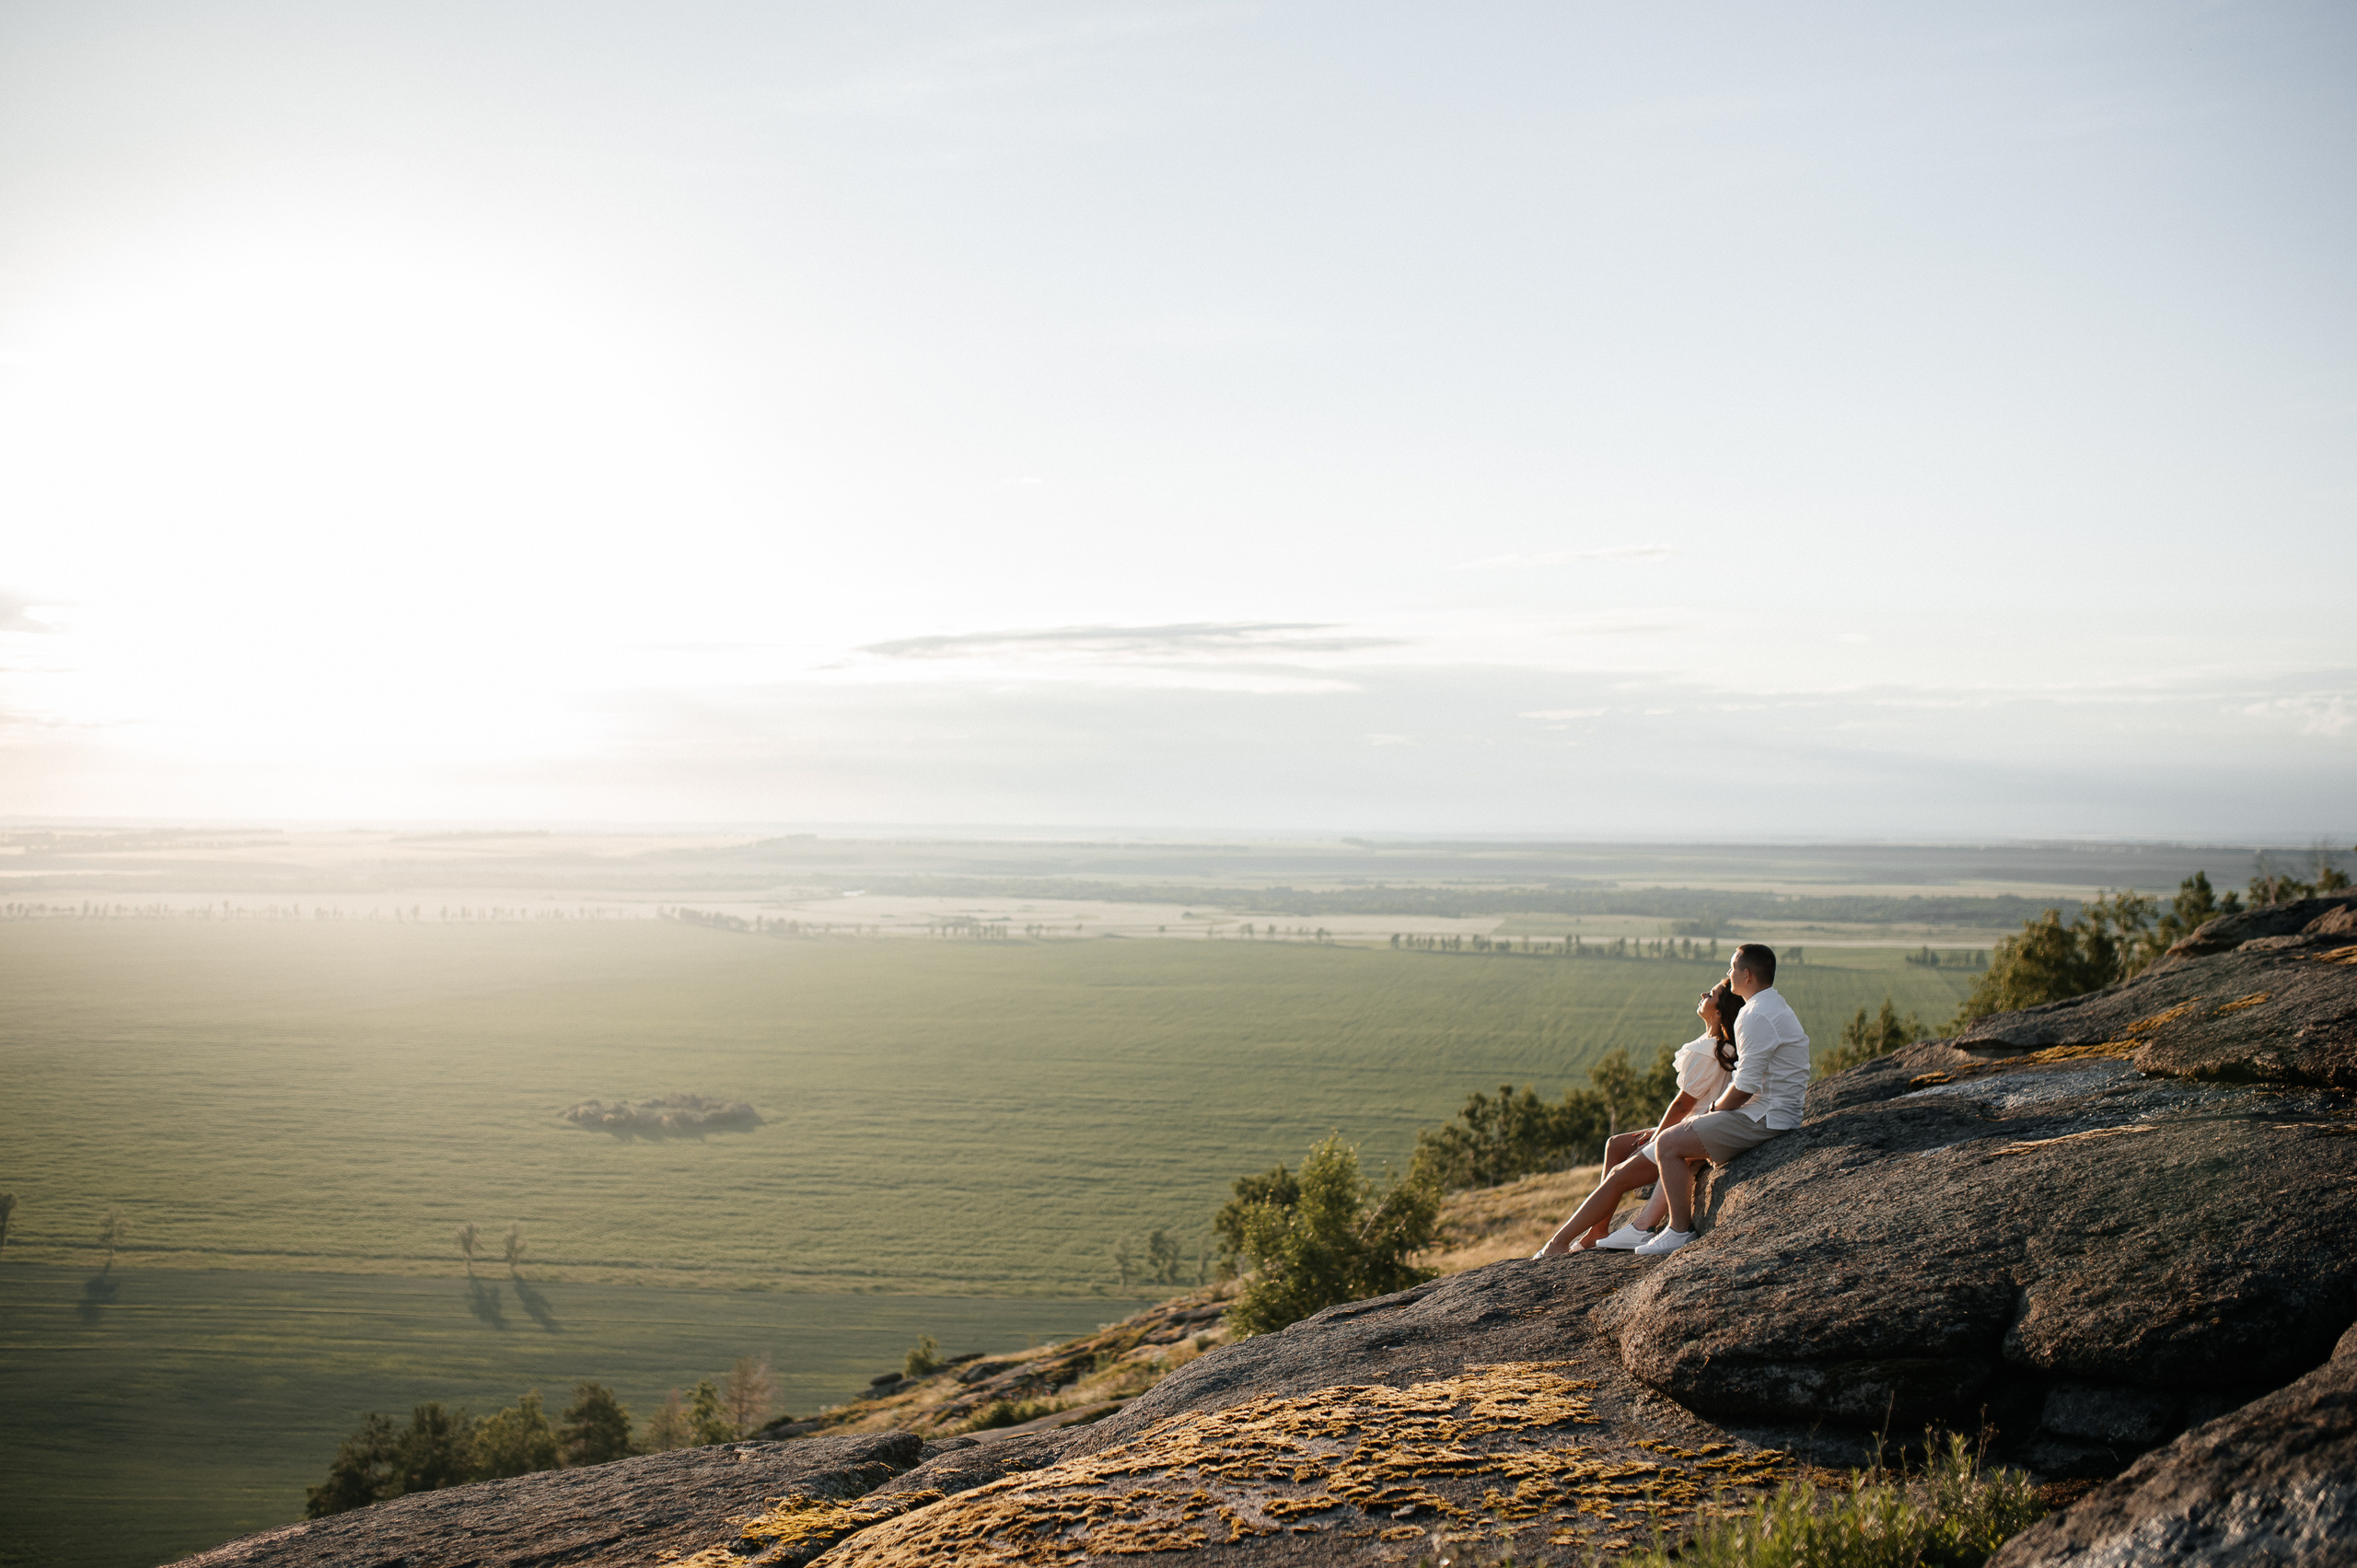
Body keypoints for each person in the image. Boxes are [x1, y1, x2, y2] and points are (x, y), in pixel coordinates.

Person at [1531, 943, 1809, 1260]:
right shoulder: (1773, 1007)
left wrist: (1713, 1113)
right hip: (1773, 1113)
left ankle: (1678, 1230)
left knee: (1668, 1143)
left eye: (1732, 968)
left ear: (1746, 974)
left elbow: (1744, 1087)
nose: (1729, 974)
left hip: (1765, 1117)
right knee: (1669, 1140)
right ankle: (1640, 1225)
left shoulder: (1755, 1015)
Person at [1548, 982, 1743, 1253]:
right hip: (1694, 1123)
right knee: (1616, 1145)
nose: (1703, 995)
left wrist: (1659, 1134)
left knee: (1618, 1176)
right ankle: (1597, 1230)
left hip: (1692, 1130)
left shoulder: (1709, 1052)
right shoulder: (1717, 1048)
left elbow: (1681, 1106)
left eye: (1711, 995)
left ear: (1719, 1013)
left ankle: (1557, 1243)